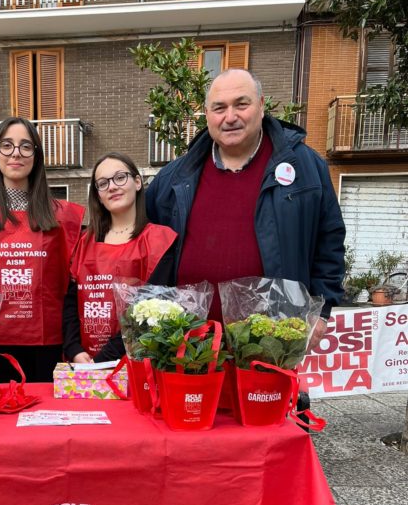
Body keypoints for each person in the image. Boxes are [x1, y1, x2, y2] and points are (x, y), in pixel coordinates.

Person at [145, 68, 345, 349]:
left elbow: (330, 241)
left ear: (261, 106)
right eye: (219, 108)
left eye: (241, 104)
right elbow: (144, 246)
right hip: (188, 345)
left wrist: (320, 313)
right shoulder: (175, 177)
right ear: (207, 114)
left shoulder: (305, 167)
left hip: (272, 340)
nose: (230, 117)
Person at [0, 117, 84, 383]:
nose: (16, 153)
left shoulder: (65, 218)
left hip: (48, 345)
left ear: (36, 155)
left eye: (26, 146)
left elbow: (72, 287)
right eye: (7, 145)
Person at [63, 151, 178, 363]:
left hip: (136, 361)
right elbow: (70, 301)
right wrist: (74, 349)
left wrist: (105, 358)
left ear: (137, 182)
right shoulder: (83, 241)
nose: (112, 187)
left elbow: (148, 310)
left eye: (120, 177)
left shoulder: (160, 241)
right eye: (103, 183)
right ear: (97, 194)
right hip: (84, 364)